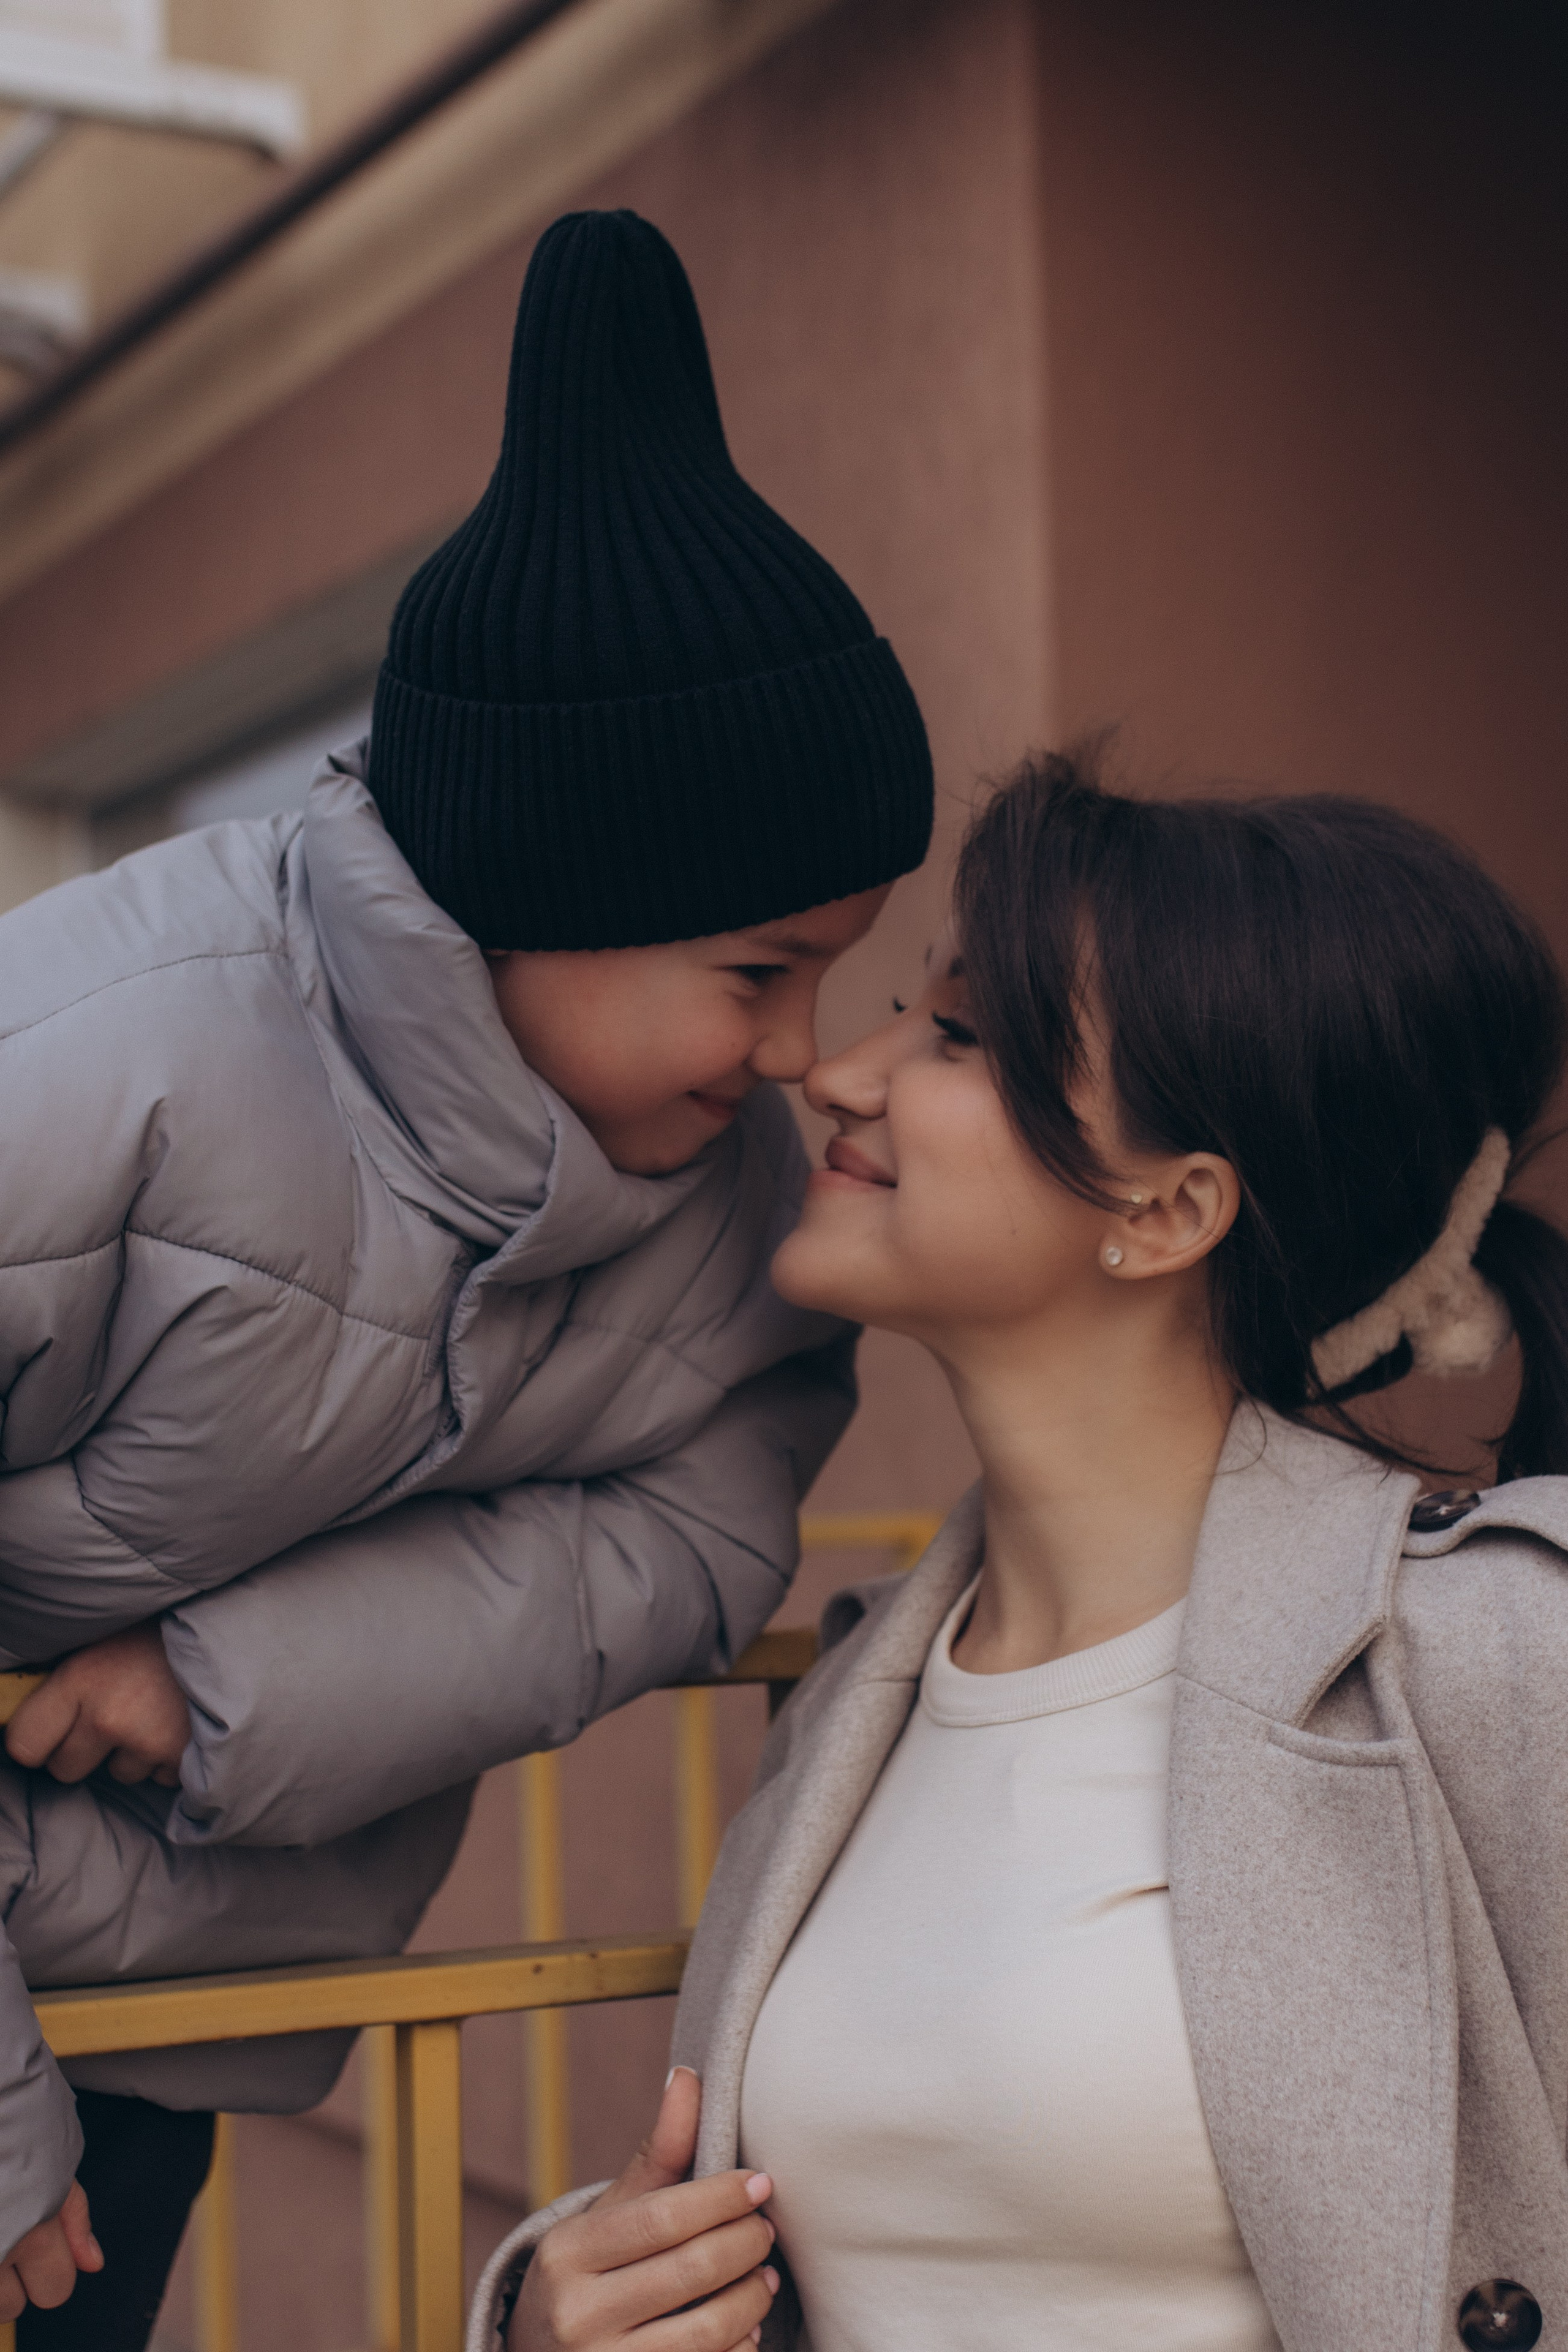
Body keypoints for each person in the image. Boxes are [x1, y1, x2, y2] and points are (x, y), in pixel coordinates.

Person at [0, 209, 934, 2345]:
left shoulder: (722, 1203)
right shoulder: (85, 1074)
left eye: (846, 965)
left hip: (170, 2002)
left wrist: (228, 1677)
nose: (807, 1050)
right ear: (541, 890)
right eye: (760, 971)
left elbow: (696, 1540)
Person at [474, 750, 1568, 2352]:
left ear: (1169, 1206)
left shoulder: (1493, 1657)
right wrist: (554, 2318)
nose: (843, 1075)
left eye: (960, 1036)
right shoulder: (861, 1696)